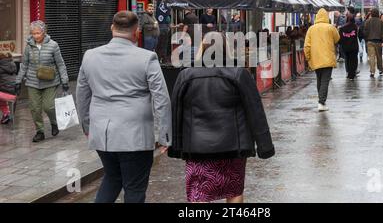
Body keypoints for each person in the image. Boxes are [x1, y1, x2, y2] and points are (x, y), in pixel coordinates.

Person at [76, 11, 172, 203]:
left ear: (112, 28)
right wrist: (164, 136)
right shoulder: (147, 58)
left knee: (112, 178)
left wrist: (87, 127)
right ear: (136, 32)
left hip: (102, 133)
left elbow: (82, 96)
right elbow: (161, 98)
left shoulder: (90, 56)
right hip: (135, 135)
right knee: (134, 188)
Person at [169, 34, 275, 203]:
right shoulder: (239, 74)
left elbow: (176, 111)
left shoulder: (186, 76)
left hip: (197, 148)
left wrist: (175, 145)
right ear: (227, 50)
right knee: (233, 190)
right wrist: (265, 146)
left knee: (198, 193)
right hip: (234, 147)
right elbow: (255, 110)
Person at [15, 20, 69, 143]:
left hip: (50, 81)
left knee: (48, 107)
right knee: (34, 108)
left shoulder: (53, 45)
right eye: (33, 33)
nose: (35, 36)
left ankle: (54, 123)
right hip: (33, 82)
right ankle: (40, 131)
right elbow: (24, 65)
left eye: (38, 33)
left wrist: (64, 81)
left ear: (44, 32)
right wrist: (18, 81)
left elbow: (60, 64)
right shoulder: (29, 46)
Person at [304, 8, 340, 112]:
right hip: (328, 57)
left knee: (319, 79)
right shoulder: (330, 28)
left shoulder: (311, 29)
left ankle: (321, 100)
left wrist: (308, 58)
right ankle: (321, 102)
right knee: (325, 80)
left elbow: (307, 45)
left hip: (316, 58)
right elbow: (337, 38)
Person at [364, 9, 383, 78]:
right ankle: (380, 70)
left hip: (370, 41)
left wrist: (366, 39)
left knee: (371, 57)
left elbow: (365, 31)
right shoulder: (381, 22)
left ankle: (372, 71)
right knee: (379, 57)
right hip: (378, 41)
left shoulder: (367, 21)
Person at [339, 14, 359, 80]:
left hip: (345, 46)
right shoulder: (355, 27)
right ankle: (352, 74)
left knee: (347, 60)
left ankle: (348, 73)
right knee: (353, 60)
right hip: (354, 46)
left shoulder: (342, 28)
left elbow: (340, 38)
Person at [0, 52, 16, 124]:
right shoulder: (13, 65)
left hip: (6, 94)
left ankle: (6, 114)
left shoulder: (1, 67)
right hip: (14, 94)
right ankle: (6, 114)